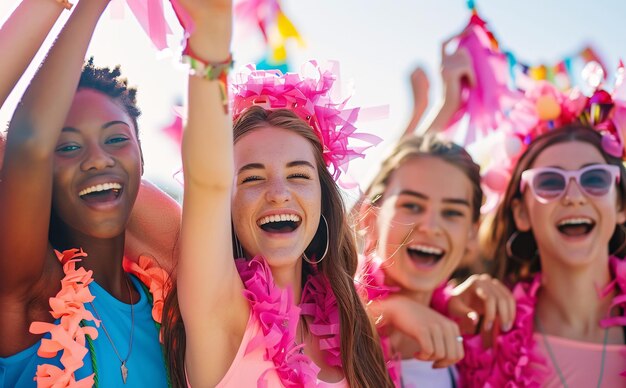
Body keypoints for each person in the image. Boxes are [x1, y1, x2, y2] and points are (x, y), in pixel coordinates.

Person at [164, 0, 393, 386]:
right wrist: (211, 44)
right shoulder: (222, 315)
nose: (278, 193)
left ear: (323, 198)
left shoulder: (353, 330)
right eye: (252, 178)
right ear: (227, 204)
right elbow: (207, 180)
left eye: (299, 175)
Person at [0, 0, 170, 386]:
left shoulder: (173, 311)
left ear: (141, 156)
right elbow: (27, 143)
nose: (97, 160)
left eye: (115, 139)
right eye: (68, 147)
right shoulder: (32, 289)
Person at [461, 119, 626, 386]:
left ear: (620, 205)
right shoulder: (486, 326)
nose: (574, 196)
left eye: (595, 178)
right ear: (522, 213)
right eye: (549, 182)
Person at [356, 135, 514, 387]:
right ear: (370, 219)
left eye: (452, 212)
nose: (430, 227)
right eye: (412, 205)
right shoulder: (320, 323)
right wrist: (385, 313)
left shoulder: (469, 336)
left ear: (472, 232)